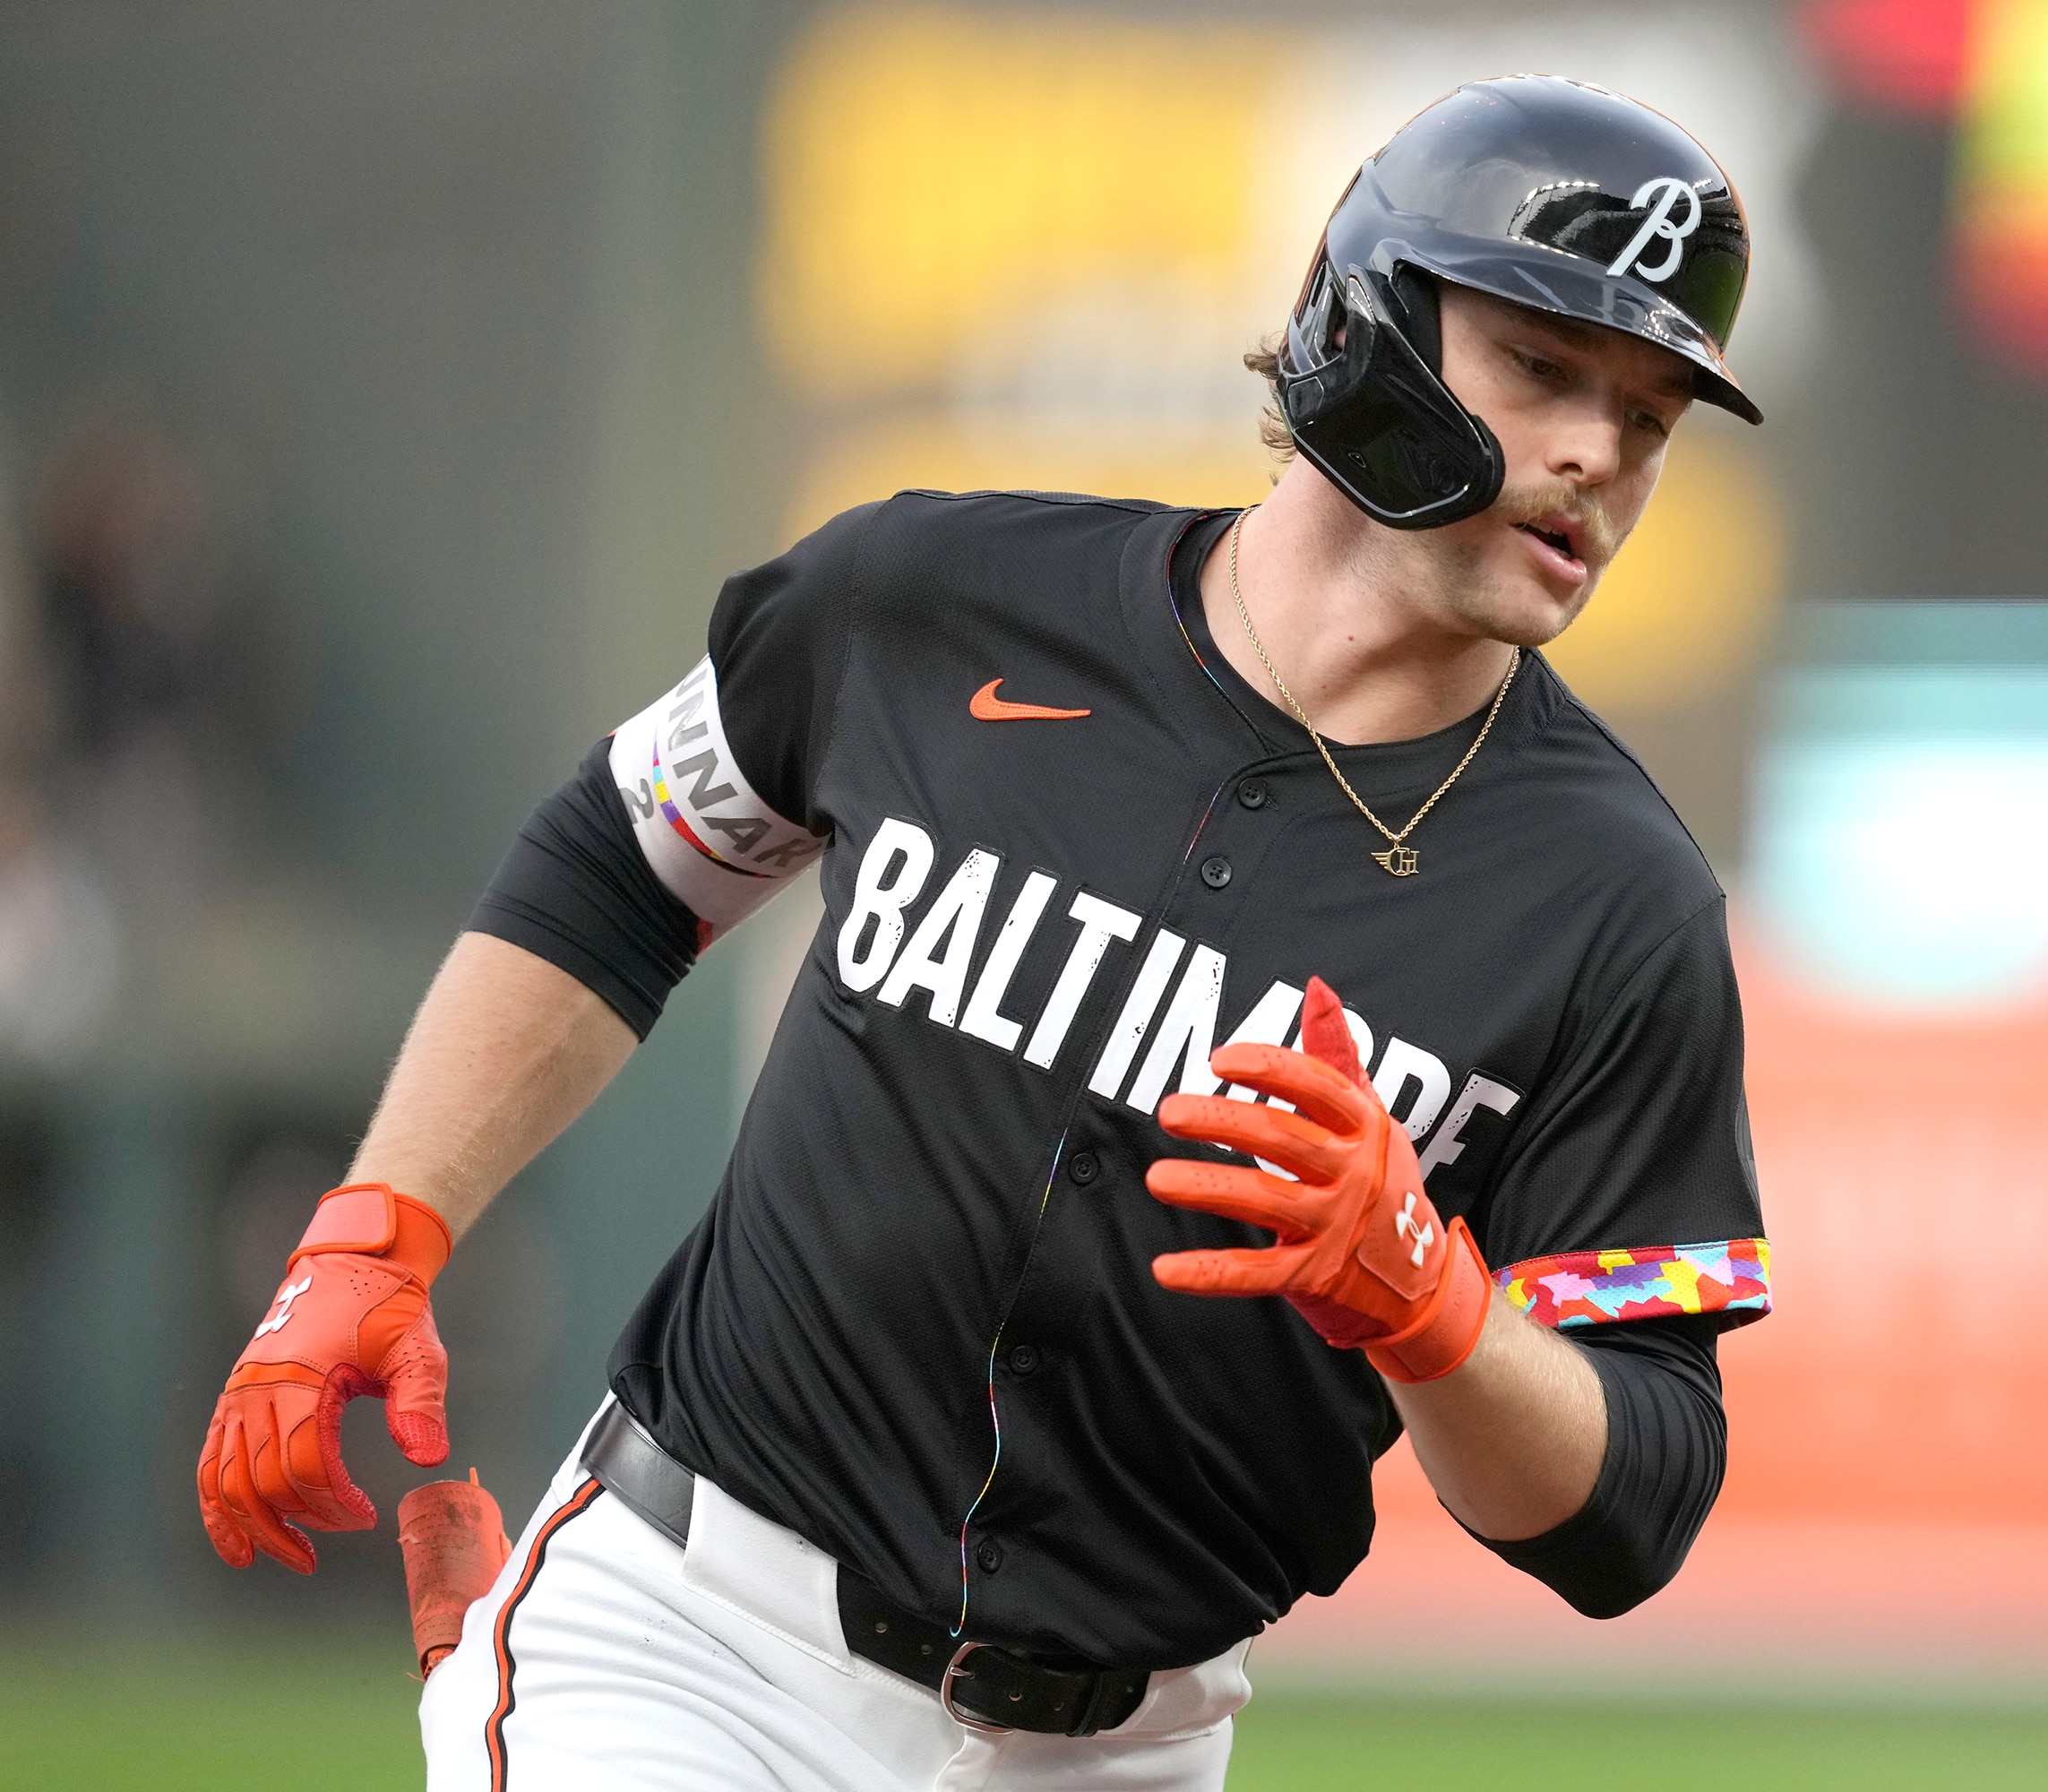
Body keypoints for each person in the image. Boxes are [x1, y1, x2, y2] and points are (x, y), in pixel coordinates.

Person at [194, 74, 1773, 1791]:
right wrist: (378, 1228)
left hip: (1125, 1741)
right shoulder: (935, 602)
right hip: (695, 1642)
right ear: (1366, 318)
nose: (1596, 458)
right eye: (1544, 368)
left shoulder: (1622, 907)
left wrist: (1437, 1318)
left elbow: (1632, 1513)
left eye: (1651, 417)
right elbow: (623, 860)